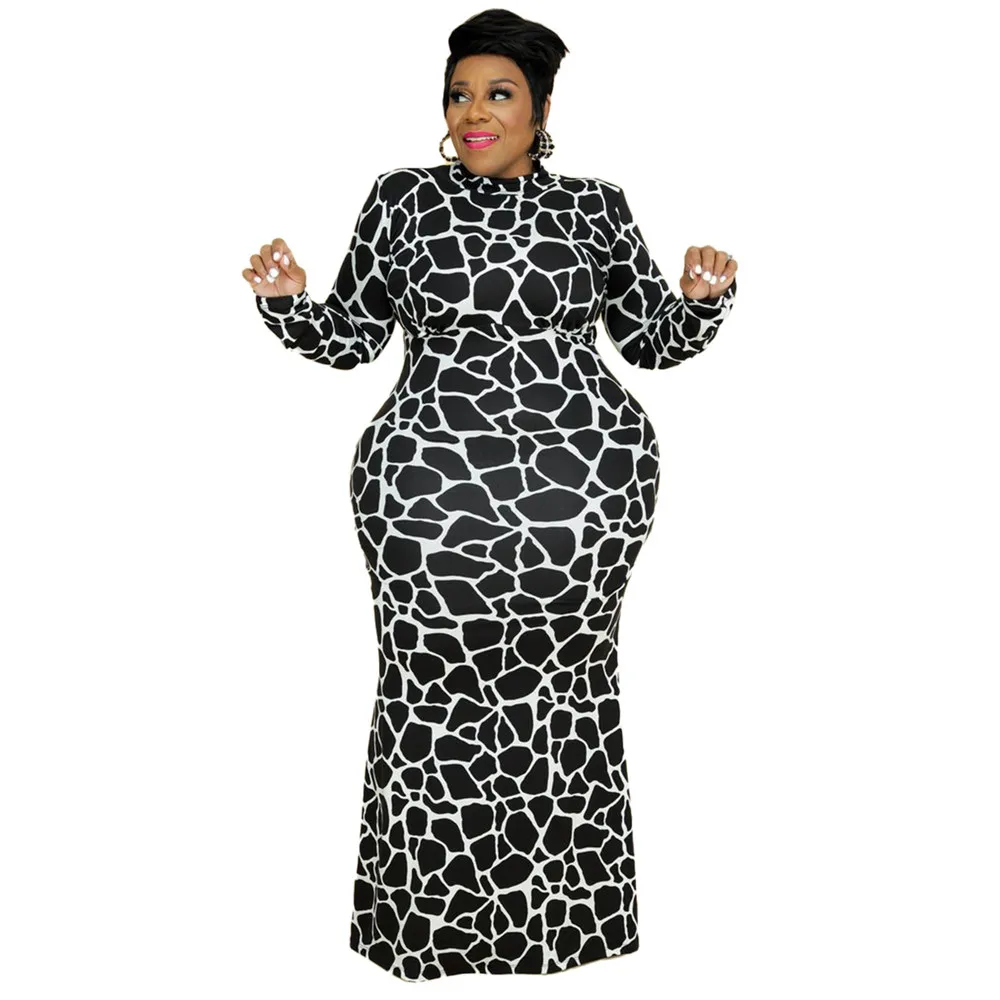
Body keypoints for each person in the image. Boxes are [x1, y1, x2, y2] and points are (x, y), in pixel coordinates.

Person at [242, 7, 737, 982]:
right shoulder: (402, 201)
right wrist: (289, 302)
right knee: (430, 696)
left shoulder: (596, 208)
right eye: (459, 95)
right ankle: (426, 932)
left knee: (564, 701)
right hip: (427, 497)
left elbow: (650, 343)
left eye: (498, 94)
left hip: (583, 502)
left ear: (542, 109)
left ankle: (566, 930)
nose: (473, 113)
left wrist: (700, 302)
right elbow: (351, 338)